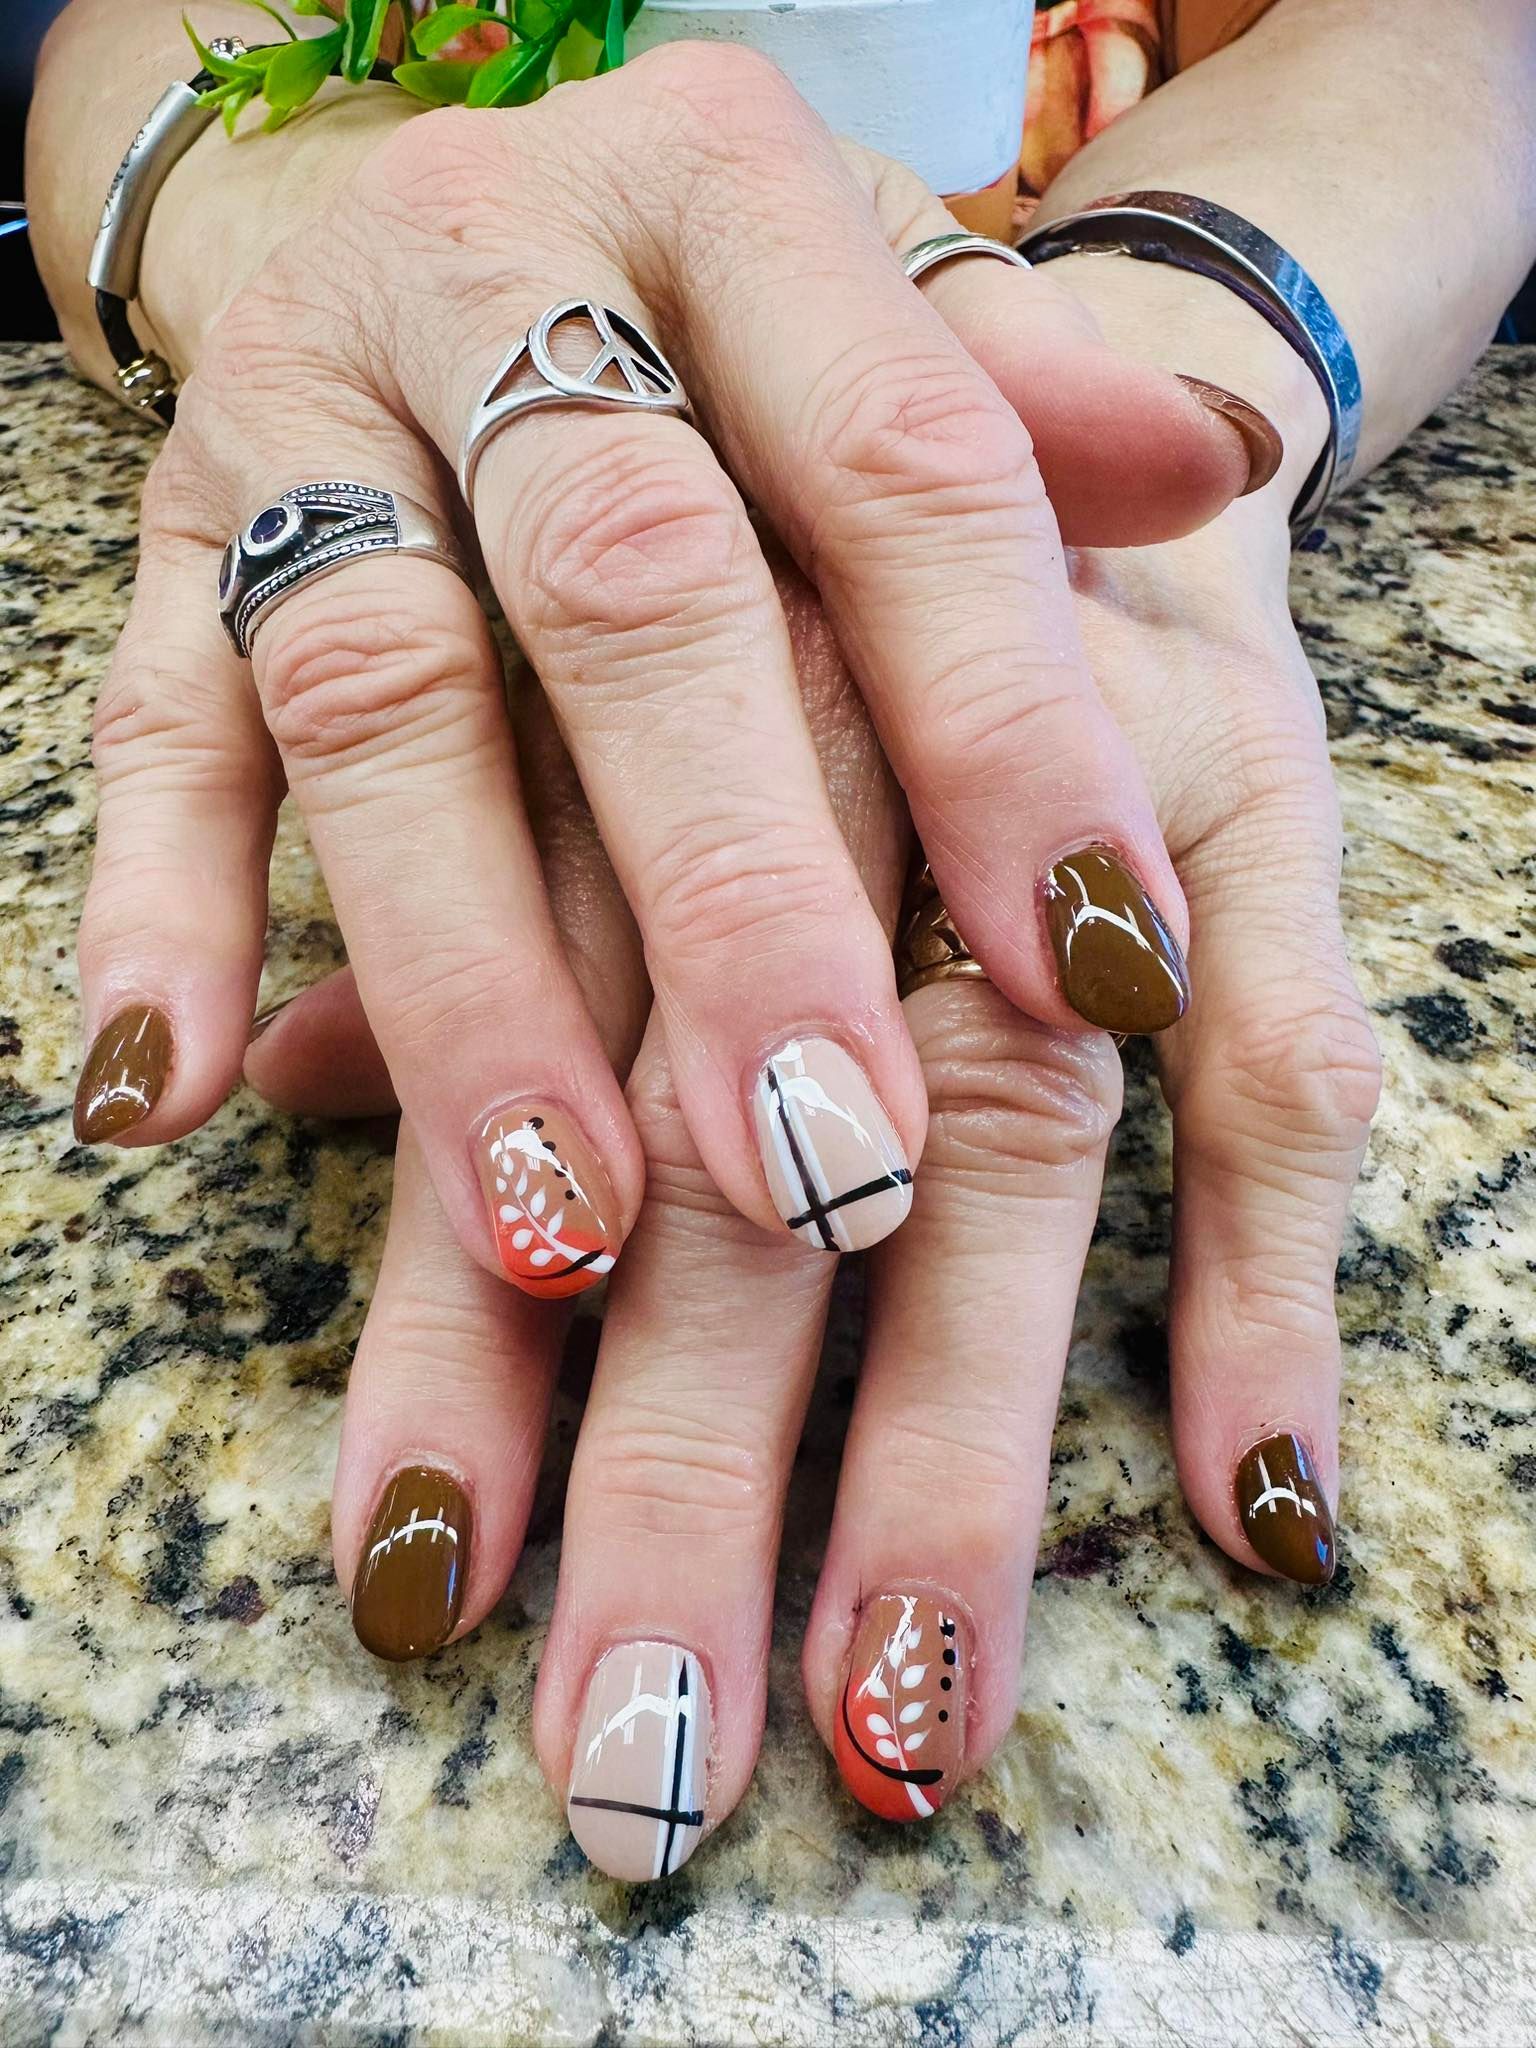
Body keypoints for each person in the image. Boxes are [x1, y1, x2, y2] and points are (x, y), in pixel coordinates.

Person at [26, 0, 1535, 1880]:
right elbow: (120, 42)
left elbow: (1440, 48)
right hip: (474, 497)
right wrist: (406, 251)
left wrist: (1043, 448)